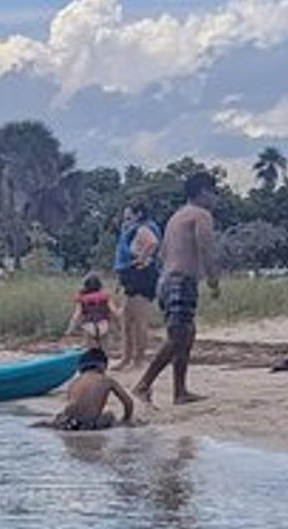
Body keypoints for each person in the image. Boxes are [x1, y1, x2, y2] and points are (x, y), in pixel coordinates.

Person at [133, 173, 222, 407]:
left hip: (168, 279)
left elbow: (162, 253)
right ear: (203, 192)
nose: (216, 199)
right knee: (179, 336)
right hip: (180, 280)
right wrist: (213, 279)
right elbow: (206, 248)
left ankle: (180, 391)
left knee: (186, 334)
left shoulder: (177, 216)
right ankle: (143, 385)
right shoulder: (201, 215)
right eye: (214, 193)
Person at [111, 203, 162, 370]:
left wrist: (140, 260)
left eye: (129, 217)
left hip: (141, 277)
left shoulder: (142, 229)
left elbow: (152, 243)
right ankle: (126, 358)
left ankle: (138, 360)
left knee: (138, 320)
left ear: (139, 214)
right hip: (132, 277)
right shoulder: (134, 230)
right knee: (125, 319)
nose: (126, 221)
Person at [44, 345, 138, 431]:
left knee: (61, 419)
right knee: (110, 415)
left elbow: (75, 404)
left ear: (81, 368)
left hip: (67, 421)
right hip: (88, 424)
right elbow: (128, 402)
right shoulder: (106, 380)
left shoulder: (75, 382)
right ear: (103, 366)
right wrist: (126, 419)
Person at [68, 273, 113, 346]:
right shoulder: (106, 296)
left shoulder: (82, 297)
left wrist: (70, 329)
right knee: (104, 350)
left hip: (89, 326)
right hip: (104, 325)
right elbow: (114, 311)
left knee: (90, 351)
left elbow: (77, 314)